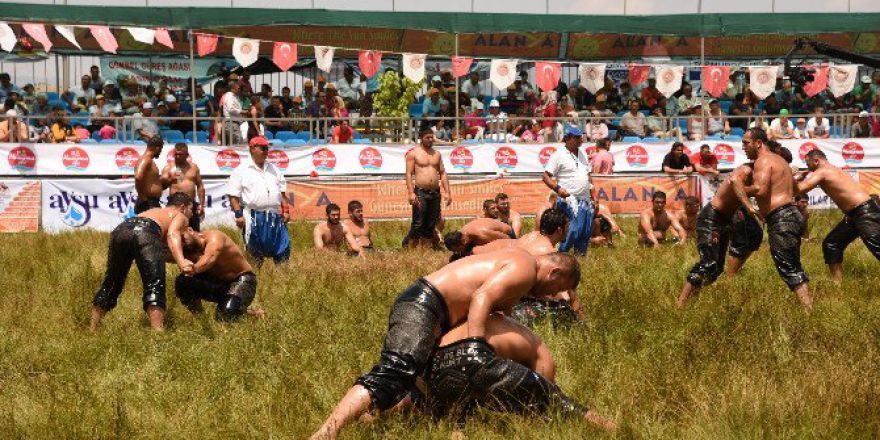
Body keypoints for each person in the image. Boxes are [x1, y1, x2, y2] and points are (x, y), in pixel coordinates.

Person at [309, 250, 582, 440]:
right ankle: (326, 433)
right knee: (394, 372)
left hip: (437, 311)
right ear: (555, 271)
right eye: (555, 288)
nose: (550, 296)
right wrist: (475, 345)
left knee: (419, 382)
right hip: (425, 304)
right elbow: (481, 298)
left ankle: (373, 417)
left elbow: (497, 315)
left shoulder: (517, 260)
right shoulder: (526, 268)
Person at [423, 313, 616, 431]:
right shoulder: (539, 348)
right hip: (476, 357)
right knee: (562, 405)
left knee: (457, 423)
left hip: (437, 364)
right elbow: (546, 389)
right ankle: (613, 430)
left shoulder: (472, 320)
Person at [90, 192, 194, 331]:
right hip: (146, 231)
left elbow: (157, 253)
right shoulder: (180, 216)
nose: (192, 214)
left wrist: (180, 258)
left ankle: (93, 328)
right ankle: (158, 333)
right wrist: (182, 262)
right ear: (182, 207)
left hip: (122, 229)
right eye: (191, 209)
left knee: (111, 283)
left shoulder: (154, 212)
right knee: (155, 284)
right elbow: (172, 234)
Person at [742, 128, 812, 309]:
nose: (743, 147)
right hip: (793, 214)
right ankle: (807, 307)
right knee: (792, 263)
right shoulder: (781, 160)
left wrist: (737, 186)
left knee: (789, 266)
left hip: (781, 217)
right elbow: (796, 190)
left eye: (746, 143)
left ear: (758, 143)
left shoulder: (762, 161)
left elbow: (760, 189)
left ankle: (808, 310)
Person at [796, 149, 880, 282]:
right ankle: (838, 284)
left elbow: (801, 189)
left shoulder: (822, 171)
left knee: (877, 246)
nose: (807, 167)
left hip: (865, 212)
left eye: (808, 163)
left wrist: (794, 178)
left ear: (816, 160)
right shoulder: (835, 169)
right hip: (855, 214)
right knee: (832, 243)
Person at [677, 164, 755, 307]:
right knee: (708, 264)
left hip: (725, 220)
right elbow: (734, 180)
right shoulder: (746, 169)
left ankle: (692, 298)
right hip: (711, 218)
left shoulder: (760, 177)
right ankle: (680, 305)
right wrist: (749, 205)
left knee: (716, 270)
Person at [227, 136, 291, 263]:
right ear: (252, 149)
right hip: (253, 216)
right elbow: (233, 196)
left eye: (267, 148)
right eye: (262, 148)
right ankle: (257, 279)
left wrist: (286, 210)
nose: (266, 151)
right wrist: (238, 215)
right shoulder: (240, 170)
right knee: (254, 253)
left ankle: (283, 279)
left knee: (283, 249)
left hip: (275, 215)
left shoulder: (275, 169)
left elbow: (282, 193)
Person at [177, 228, 264, 321]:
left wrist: (192, 269)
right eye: (178, 241)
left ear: (190, 230)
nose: (182, 243)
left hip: (243, 281)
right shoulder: (185, 250)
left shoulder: (214, 237)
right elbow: (166, 256)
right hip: (219, 285)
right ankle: (201, 318)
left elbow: (210, 258)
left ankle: (254, 314)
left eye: (182, 237)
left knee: (225, 315)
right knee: (183, 281)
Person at [542, 127, 594, 255]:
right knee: (572, 229)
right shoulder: (558, 155)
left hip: (585, 199)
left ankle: (580, 257)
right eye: (576, 137)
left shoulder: (583, 154)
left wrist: (594, 196)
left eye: (580, 137)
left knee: (585, 231)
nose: (580, 140)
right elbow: (546, 176)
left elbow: (588, 176)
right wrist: (558, 189)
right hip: (569, 199)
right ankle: (561, 255)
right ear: (567, 138)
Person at [404, 128, 451, 248]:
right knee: (418, 223)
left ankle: (426, 251)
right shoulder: (413, 153)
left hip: (435, 192)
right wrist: (411, 193)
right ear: (421, 137)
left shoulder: (437, 154)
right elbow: (409, 174)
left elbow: (443, 173)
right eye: (427, 137)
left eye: (432, 137)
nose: (430, 140)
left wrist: (448, 192)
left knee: (431, 223)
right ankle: (410, 249)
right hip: (420, 191)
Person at [474, 207, 569, 257]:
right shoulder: (549, 252)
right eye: (567, 227)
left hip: (478, 254)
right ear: (560, 230)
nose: (569, 230)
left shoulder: (531, 235)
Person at [161, 143, 205, 231]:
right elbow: (161, 187)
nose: (177, 156)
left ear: (187, 155)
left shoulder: (194, 167)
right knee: (174, 230)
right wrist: (170, 179)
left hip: (191, 204)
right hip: (174, 204)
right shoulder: (168, 168)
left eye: (180, 154)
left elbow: (200, 186)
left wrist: (202, 205)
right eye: (176, 154)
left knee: (194, 232)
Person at [444, 217, 515, 261]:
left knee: (476, 252)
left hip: (507, 234)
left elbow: (508, 240)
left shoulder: (482, 234)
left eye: (457, 250)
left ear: (463, 241)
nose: (458, 252)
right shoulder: (461, 234)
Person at [134, 136, 166, 214]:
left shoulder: (149, 160)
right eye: (161, 149)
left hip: (151, 202)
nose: (160, 152)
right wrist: (143, 198)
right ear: (157, 148)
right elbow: (138, 177)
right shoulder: (146, 159)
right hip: (148, 202)